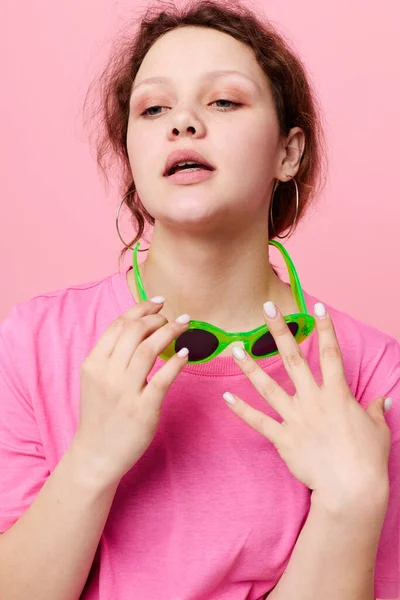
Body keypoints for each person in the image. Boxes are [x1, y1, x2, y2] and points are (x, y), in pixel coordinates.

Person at [0, 1, 399, 598]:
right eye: (154, 108)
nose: (182, 123)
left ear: (288, 153)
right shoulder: (34, 341)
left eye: (224, 101)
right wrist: (90, 462)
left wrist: (351, 502)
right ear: (133, 158)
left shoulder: (374, 374)